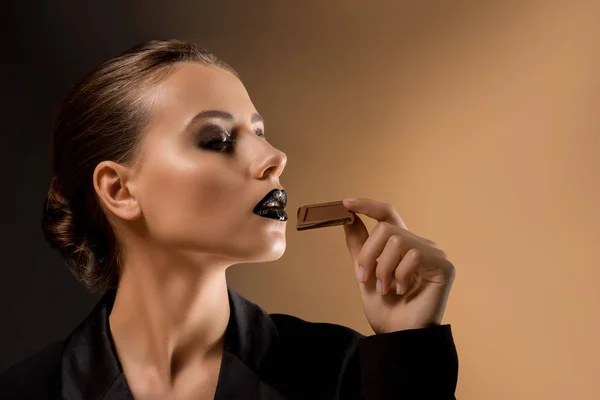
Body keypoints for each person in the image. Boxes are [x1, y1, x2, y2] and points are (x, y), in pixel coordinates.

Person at [0, 39, 458, 399]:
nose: (274, 157)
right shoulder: (27, 390)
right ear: (119, 191)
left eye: (259, 133)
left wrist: (408, 353)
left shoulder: (345, 372)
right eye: (218, 139)